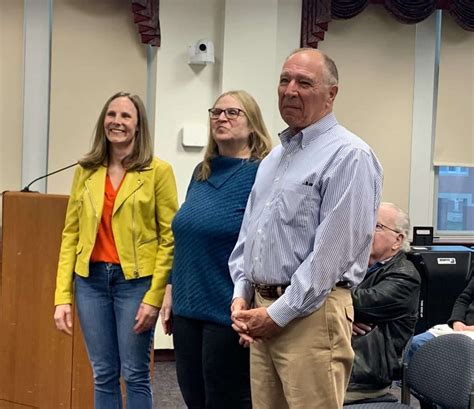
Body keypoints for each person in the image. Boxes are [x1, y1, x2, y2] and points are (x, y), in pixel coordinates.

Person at [229, 48, 383, 409]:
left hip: (312, 315)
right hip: (263, 310)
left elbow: (330, 256)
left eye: (304, 82)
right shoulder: (274, 159)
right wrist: (242, 293)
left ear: (331, 94)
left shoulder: (349, 155)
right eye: (284, 80)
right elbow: (250, 236)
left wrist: (278, 313)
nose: (290, 90)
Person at [53, 91, 178, 409]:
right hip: (90, 282)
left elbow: (169, 238)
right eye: (112, 115)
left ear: (138, 127)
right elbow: (71, 234)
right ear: (103, 121)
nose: (117, 122)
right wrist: (62, 297)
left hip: (135, 283)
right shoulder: (86, 170)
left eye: (125, 116)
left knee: (135, 373)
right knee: (103, 373)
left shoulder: (157, 172)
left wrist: (155, 296)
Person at [160, 90, 272, 409]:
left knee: (226, 401)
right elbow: (187, 234)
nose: (221, 118)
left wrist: (252, 302)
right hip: (187, 306)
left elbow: (263, 245)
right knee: (193, 398)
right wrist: (170, 288)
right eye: (216, 112)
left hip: (228, 310)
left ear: (252, 125)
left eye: (232, 113)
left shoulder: (261, 174)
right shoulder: (202, 171)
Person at [345, 202, 421, 404]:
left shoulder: (405, 277)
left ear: (398, 240)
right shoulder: (356, 267)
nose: (367, 232)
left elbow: (359, 303)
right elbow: (343, 305)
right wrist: (343, 319)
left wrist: (341, 312)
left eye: (377, 226)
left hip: (361, 379)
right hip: (338, 364)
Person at [405, 274, 474, 363]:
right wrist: (457, 321)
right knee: (416, 343)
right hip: (459, 328)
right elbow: (463, 299)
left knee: (458, 354)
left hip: (469, 333)